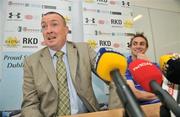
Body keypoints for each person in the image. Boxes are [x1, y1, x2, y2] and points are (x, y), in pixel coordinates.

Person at [21, 11, 121, 117]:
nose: (48, 31)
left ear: (66, 30)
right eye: (44, 26)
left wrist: (114, 112)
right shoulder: (31, 61)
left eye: (54, 24)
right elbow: (29, 105)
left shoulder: (84, 50)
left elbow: (115, 78)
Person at [126, 32, 160, 105]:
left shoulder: (154, 65)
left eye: (142, 44)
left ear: (146, 48)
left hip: (164, 103)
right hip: (144, 108)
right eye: (135, 44)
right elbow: (135, 94)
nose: (138, 46)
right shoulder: (125, 67)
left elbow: (167, 87)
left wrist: (149, 64)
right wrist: (163, 96)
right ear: (130, 47)